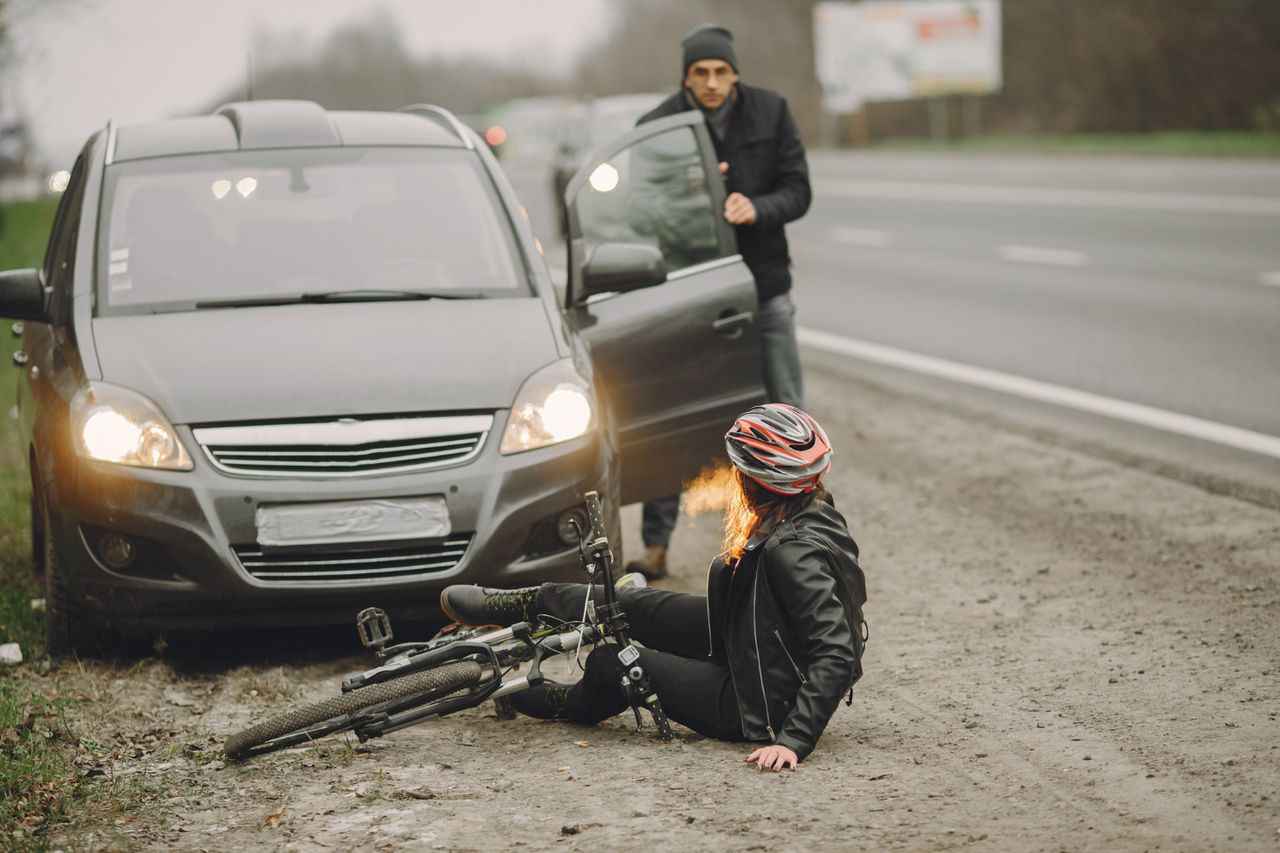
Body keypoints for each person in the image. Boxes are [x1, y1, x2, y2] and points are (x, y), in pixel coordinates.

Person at [440, 404, 865, 771]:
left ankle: (564, 702)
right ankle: (518, 603)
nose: (735, 477)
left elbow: (837, 650)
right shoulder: (806, 510)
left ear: (759, 480)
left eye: (741, 470)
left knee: (615, 660)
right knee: (628, 602)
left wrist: (792, 741)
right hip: (749, 642)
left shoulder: (792, 552)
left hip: (753, 703)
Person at [628, 24, 813, 581]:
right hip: (686, 295)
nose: (711, 83)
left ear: (735, 74)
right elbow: (642, 213)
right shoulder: (655, 128)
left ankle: (800, 530)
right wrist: (697, 201)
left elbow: (799, 190)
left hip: (763, 287)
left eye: (720, 72)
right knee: (669, 417)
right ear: (685, 77)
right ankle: (656, 546)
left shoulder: (771, 112)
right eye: (700, 73)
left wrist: (755, 207)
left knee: (784, 410)